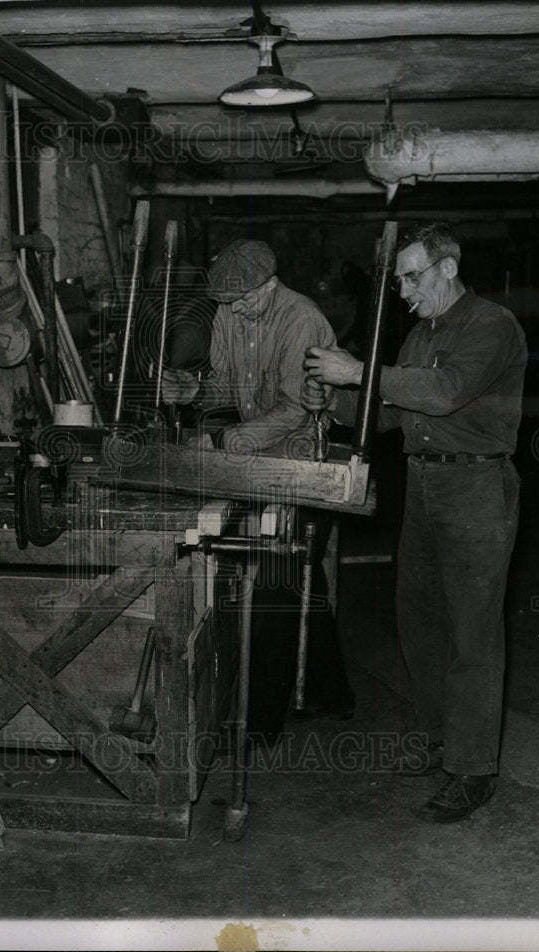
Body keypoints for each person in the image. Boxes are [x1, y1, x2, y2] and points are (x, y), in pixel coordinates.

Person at [302, 221, 527, 822]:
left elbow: (447, 392)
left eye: (413, 276)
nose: (403, 290)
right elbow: (391, 413)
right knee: (419, 620)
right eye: (399, 278)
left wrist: (359, 373)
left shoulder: (491, 326)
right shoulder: (421, 334)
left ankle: (473, 771)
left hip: (477, 487)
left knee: (473, 633)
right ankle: (442, 742)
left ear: (448, 268)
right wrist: (337, 400)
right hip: (425, 486)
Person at [162, 238, 355, 736]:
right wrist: (195, 391)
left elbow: (296, 408)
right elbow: (225, 383)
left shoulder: (300, 318)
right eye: (227, 302)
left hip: (302, 456)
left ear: (271, 283)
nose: (236, 308)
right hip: (259, 457)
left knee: (277, 576)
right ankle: (331, 692)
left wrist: (237, 437)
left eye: (245, 298)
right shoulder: (230, 311)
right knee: (298, 576)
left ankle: (259, 722)